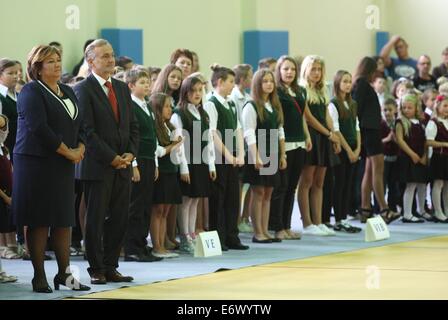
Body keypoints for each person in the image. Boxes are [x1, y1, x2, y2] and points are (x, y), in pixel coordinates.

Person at [12, 45, 89, 293]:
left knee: (63, 219)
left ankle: (64, 275)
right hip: (36, 163)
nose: (57, 64)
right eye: (50, 61)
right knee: (39, 219)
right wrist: (69, 151)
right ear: (37, 67)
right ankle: (39, 276)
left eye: (58, 60)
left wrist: (81, 147)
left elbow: (81, 123)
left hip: (64, 163)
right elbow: (39, 128)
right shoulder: (30, 91)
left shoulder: (67, 90)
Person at [74, 39, 139, 285]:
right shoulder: (83, 88)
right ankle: (96, 267)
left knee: (121, 217)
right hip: (98, 166)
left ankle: (111, 265)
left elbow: (133, 126)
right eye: (104, 56)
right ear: (90, 61)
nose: (111, 60)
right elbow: (87, 132)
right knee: (95, 219)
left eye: (112, 55)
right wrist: (111, 158)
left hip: (123, 165)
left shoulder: (121, 88)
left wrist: (130, 155)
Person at [204, 64, 248, 251]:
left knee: (232, 198)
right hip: (219, 158)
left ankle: (232, 235)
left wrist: (241, 152)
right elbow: (212, 134)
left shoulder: (230, 103)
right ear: (219, 82)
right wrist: (228, 155)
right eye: (231, 81)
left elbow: (238, 128)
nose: (233, 85)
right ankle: (219, 237)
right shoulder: (210, 103)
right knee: (218, 199)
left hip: (232, 158)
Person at [352, 57, 401, 224]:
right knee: (377, 171)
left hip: (369, 131)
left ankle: (366, 208)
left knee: (369, 171)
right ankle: (384, 209)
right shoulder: (363, 85)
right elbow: (356, 107)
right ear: (370, 70)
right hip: (370, 132)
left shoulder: (361, 84)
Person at [171, 76, 216, 253]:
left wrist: (211, 166)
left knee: (196, 200)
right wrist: (183, 168)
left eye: (200, 90)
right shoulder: (179, 114)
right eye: (193, 91)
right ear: (185, 92)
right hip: (188, 163)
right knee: (186, 201)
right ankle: (184, 238)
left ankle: (191, 234)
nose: (197, 94)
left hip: (202, 162)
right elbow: (179, 144)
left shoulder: (203, 113)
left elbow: (209, 141)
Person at [123, 69, 164, 262]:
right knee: (136, 206)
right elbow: (131, 138)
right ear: (131, 86)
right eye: (142, 82)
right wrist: (134, 165)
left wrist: (155, 163)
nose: (147, 85)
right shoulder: (129, 106)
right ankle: (131, 248)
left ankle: (141, 244)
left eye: (148, 82)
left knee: (146, 205)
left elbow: (153, 137)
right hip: (138, 160)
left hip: (149, 160)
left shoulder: (147, 106)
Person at [269, 56, 311, 240]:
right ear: (279, 70)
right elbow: (278, 119)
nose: (289, 72)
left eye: (293, 69)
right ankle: (277, 226)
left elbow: (302, 115)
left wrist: (307, 135)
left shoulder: (300, 91)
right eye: (285, 69)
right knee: (281, 187)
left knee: (292, 187)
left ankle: (287, 225)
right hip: (284, 143)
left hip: (300, 142)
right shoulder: (276, 92)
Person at [297, 55, 339, 236]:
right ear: (305, 70)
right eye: (313, 69)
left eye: (319, 70)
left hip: (324, 136)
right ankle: (307, 223)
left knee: (319, 182)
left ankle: (318, 220)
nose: (316, 73)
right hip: (313, 135)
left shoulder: (323, 90)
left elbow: (327, 115)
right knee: (306, 181)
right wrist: (327, 133)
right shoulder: (302, 89)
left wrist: (334, 136)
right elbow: (308, 118)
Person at [242, 69, 285, 243]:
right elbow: (249, 133)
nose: (269, 84)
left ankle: (265, 230)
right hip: (258, 151)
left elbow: (280, 130)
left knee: (268, 193)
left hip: (273, 151)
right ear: (257, 84)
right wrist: (256, 156)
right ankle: (257, 232)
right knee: (258, 192)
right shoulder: (251, 106)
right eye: (265, 81)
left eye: (271, 81)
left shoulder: (274, 105)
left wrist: (283, 155)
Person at [328, 71, 362, 233]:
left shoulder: (353, 104)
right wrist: (349, 150)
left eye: (350, 81)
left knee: (349, 184)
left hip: (354, 149)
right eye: (345, 81)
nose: (348, 84)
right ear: (337, 84)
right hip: (342, 150)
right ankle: (338, 219)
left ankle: (344, 217)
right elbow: (336, 130)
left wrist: (358, 148)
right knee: (339, 184)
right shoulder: (334, 104)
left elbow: (356, 127)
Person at [150, 93, 183, 258]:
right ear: (158, 108)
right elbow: (160, 152)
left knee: (166, 211)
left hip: (171, 171)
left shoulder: (168, 126)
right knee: (158, 210)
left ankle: (163, 245)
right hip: (161, 172)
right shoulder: (154, 126)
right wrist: (174, 145)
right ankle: (157, 246)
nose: (170, 109)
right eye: (167, 106)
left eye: (171, 106)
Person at [395, 93, 428, 223]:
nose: (406, 110)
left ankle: (421, 209)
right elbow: (400, 140)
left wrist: (424, 155)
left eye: (410, 107)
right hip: (408, 157)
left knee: (422, 184)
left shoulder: (420, 122)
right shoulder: (401, 122)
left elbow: (425, 141)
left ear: (416, 108)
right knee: (411, 185)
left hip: (420, 157)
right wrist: (412, 154)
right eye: (404, 107)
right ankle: (407, 213)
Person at [229, 64, 254, 233]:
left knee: (250, 183)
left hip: (249, 146)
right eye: (250, 77)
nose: (252, 80)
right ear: (243, 79)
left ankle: (245, 217)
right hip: (237, 147)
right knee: (238, 186)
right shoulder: (232, 97)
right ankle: (236, 218)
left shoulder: (249, 97)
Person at [426, 94, 448, 223]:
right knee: (438, 183)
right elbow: (429, 142)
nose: (447, 109)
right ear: (438, 107)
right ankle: (438, 212)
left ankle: (446, 210)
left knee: (447, 185)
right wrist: (444, 144)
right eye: (445, 106)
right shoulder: (434, 123)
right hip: (439, 157)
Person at [381, 98, 401, 214]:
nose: (387, 112)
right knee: (382, 185)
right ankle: (380, 208)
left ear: (395, 110)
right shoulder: (380, 123)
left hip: (395, 158)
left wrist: (396, 140)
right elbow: (377, 141)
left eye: (390, 110)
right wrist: (387, 139)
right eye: (385, 110)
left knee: (393, 185)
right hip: (383, 159)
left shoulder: (397, 123)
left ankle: (392, 208)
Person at [0, 59, 19, 158]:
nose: (15, 76)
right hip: (6, 150)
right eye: (10, 73)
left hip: (20, 148)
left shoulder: (20, 96)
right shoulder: (1, 98)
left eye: (16, 73)